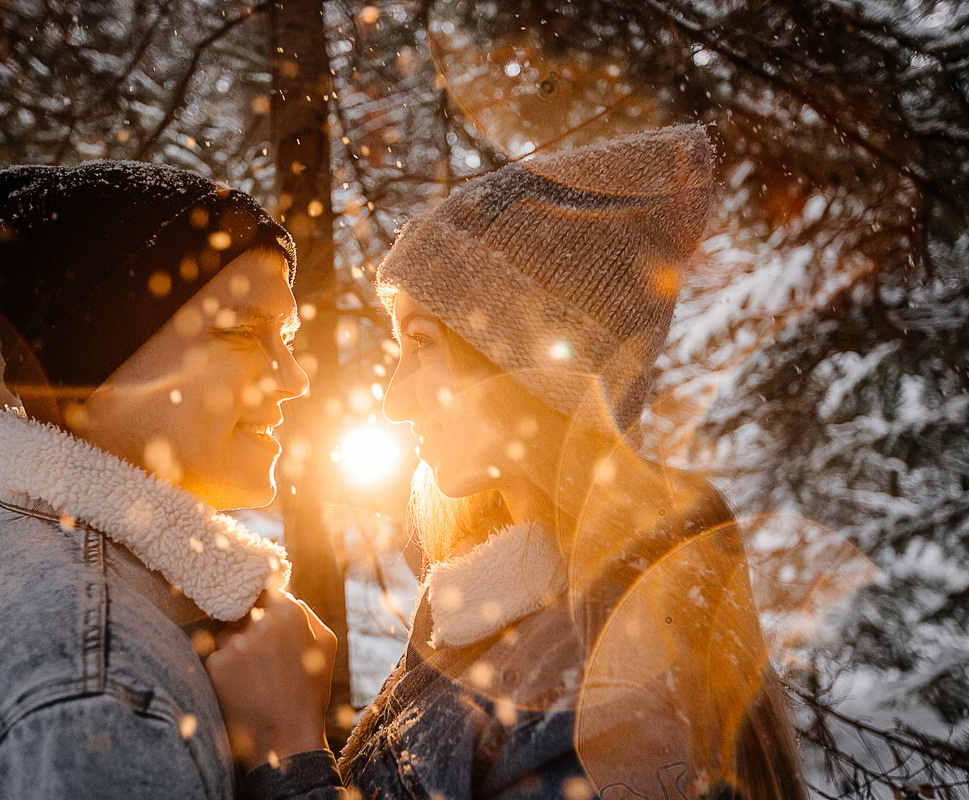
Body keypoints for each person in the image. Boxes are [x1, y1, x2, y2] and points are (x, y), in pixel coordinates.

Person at [205, 128, 808, 799]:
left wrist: (288, 755)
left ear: (522, 367)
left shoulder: (606, 681)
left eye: (424, 345)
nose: (397, 400)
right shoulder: (493, 620)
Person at [0, 161, 331, 800]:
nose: (292, 378)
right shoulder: (98, 698)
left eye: (285, 336)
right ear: (101, 364)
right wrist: (291, 767)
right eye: (244, 332)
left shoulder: (16, 554)